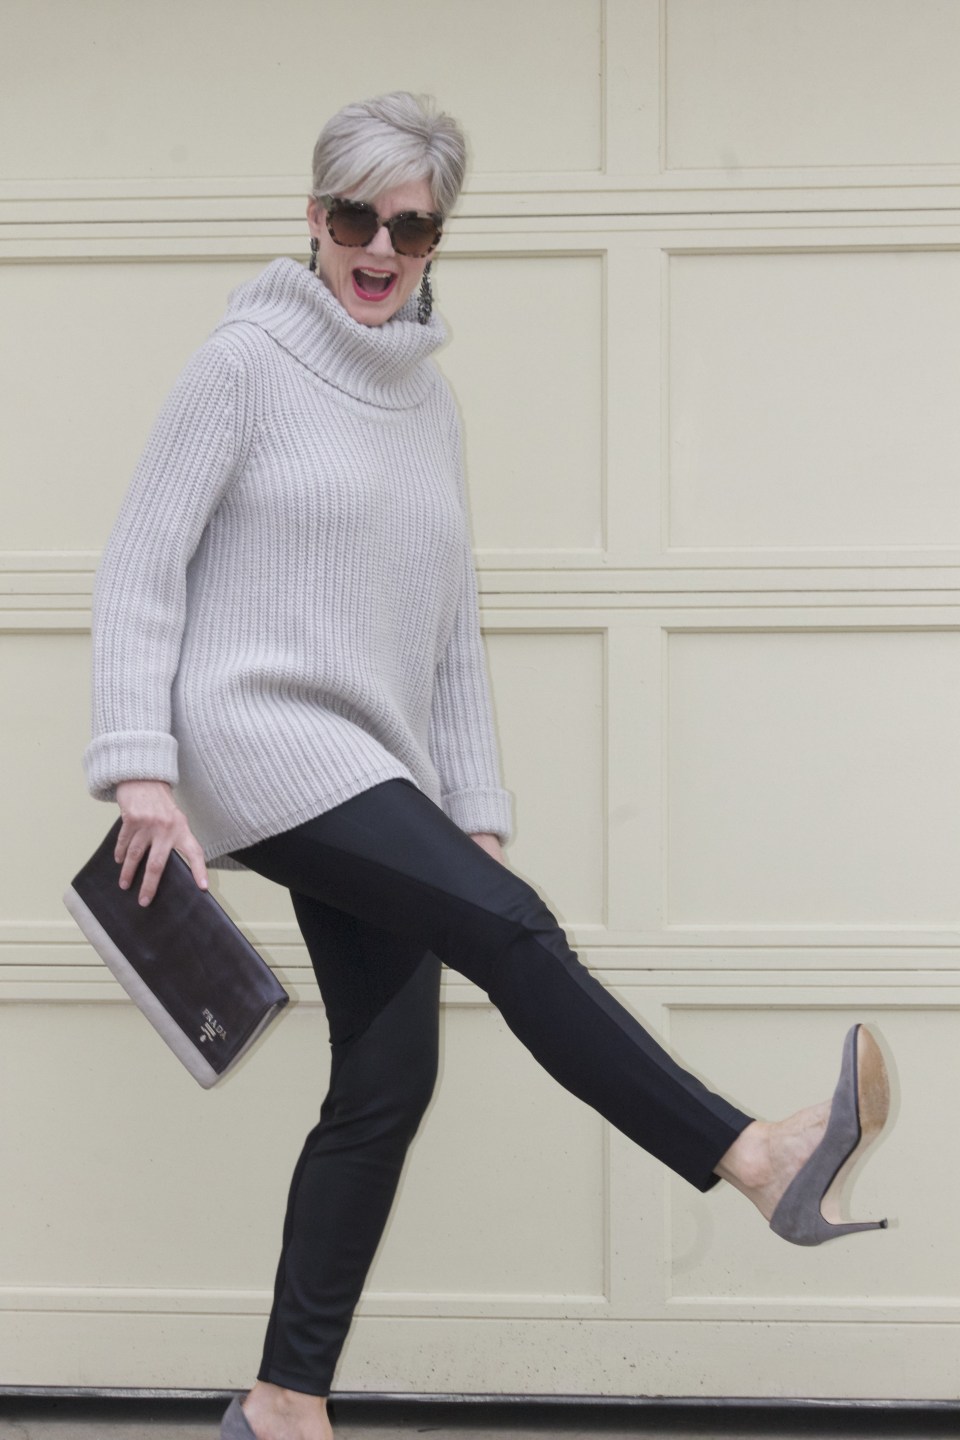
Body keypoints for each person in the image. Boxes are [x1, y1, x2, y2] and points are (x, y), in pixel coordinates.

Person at [82, 93, 892, 1440]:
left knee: (388, 1078)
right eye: (358, 219)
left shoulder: (429, 403)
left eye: (412, 228)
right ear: (314, 218)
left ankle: (281, 1402)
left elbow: (447, 630)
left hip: (370, 760)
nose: (380, 249)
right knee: (514, 936)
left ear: (437, 239)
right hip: (255, 736)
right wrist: (139, 768)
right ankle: (755, 1155)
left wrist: (476, 811)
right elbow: (139, 565)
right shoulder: (242, 364)